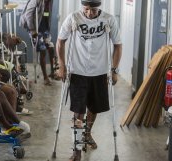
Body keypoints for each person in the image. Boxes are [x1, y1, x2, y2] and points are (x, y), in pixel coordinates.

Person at [56, 0, 122, 160]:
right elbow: (60, 41)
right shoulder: (73, 18)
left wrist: (113, 70)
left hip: (100, 72)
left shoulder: (109, 19)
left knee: (95, 107)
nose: (89, 13)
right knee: (78, 111)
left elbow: (118, 45)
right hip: (78, 71)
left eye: (93, 10)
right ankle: (77, 149)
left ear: (99, 7)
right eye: (86, 9)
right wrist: (62, 65)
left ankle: (87, 132)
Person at [20, 0, 56, 85]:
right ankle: (45, 78)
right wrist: (32, 30)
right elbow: (28, 15)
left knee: (51, 48)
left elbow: (48, 14)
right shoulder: (35, 1)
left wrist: (48, 28)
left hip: (44, 29)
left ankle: (52, 72)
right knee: (43, 50)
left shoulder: (50, 1)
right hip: (34, 29)